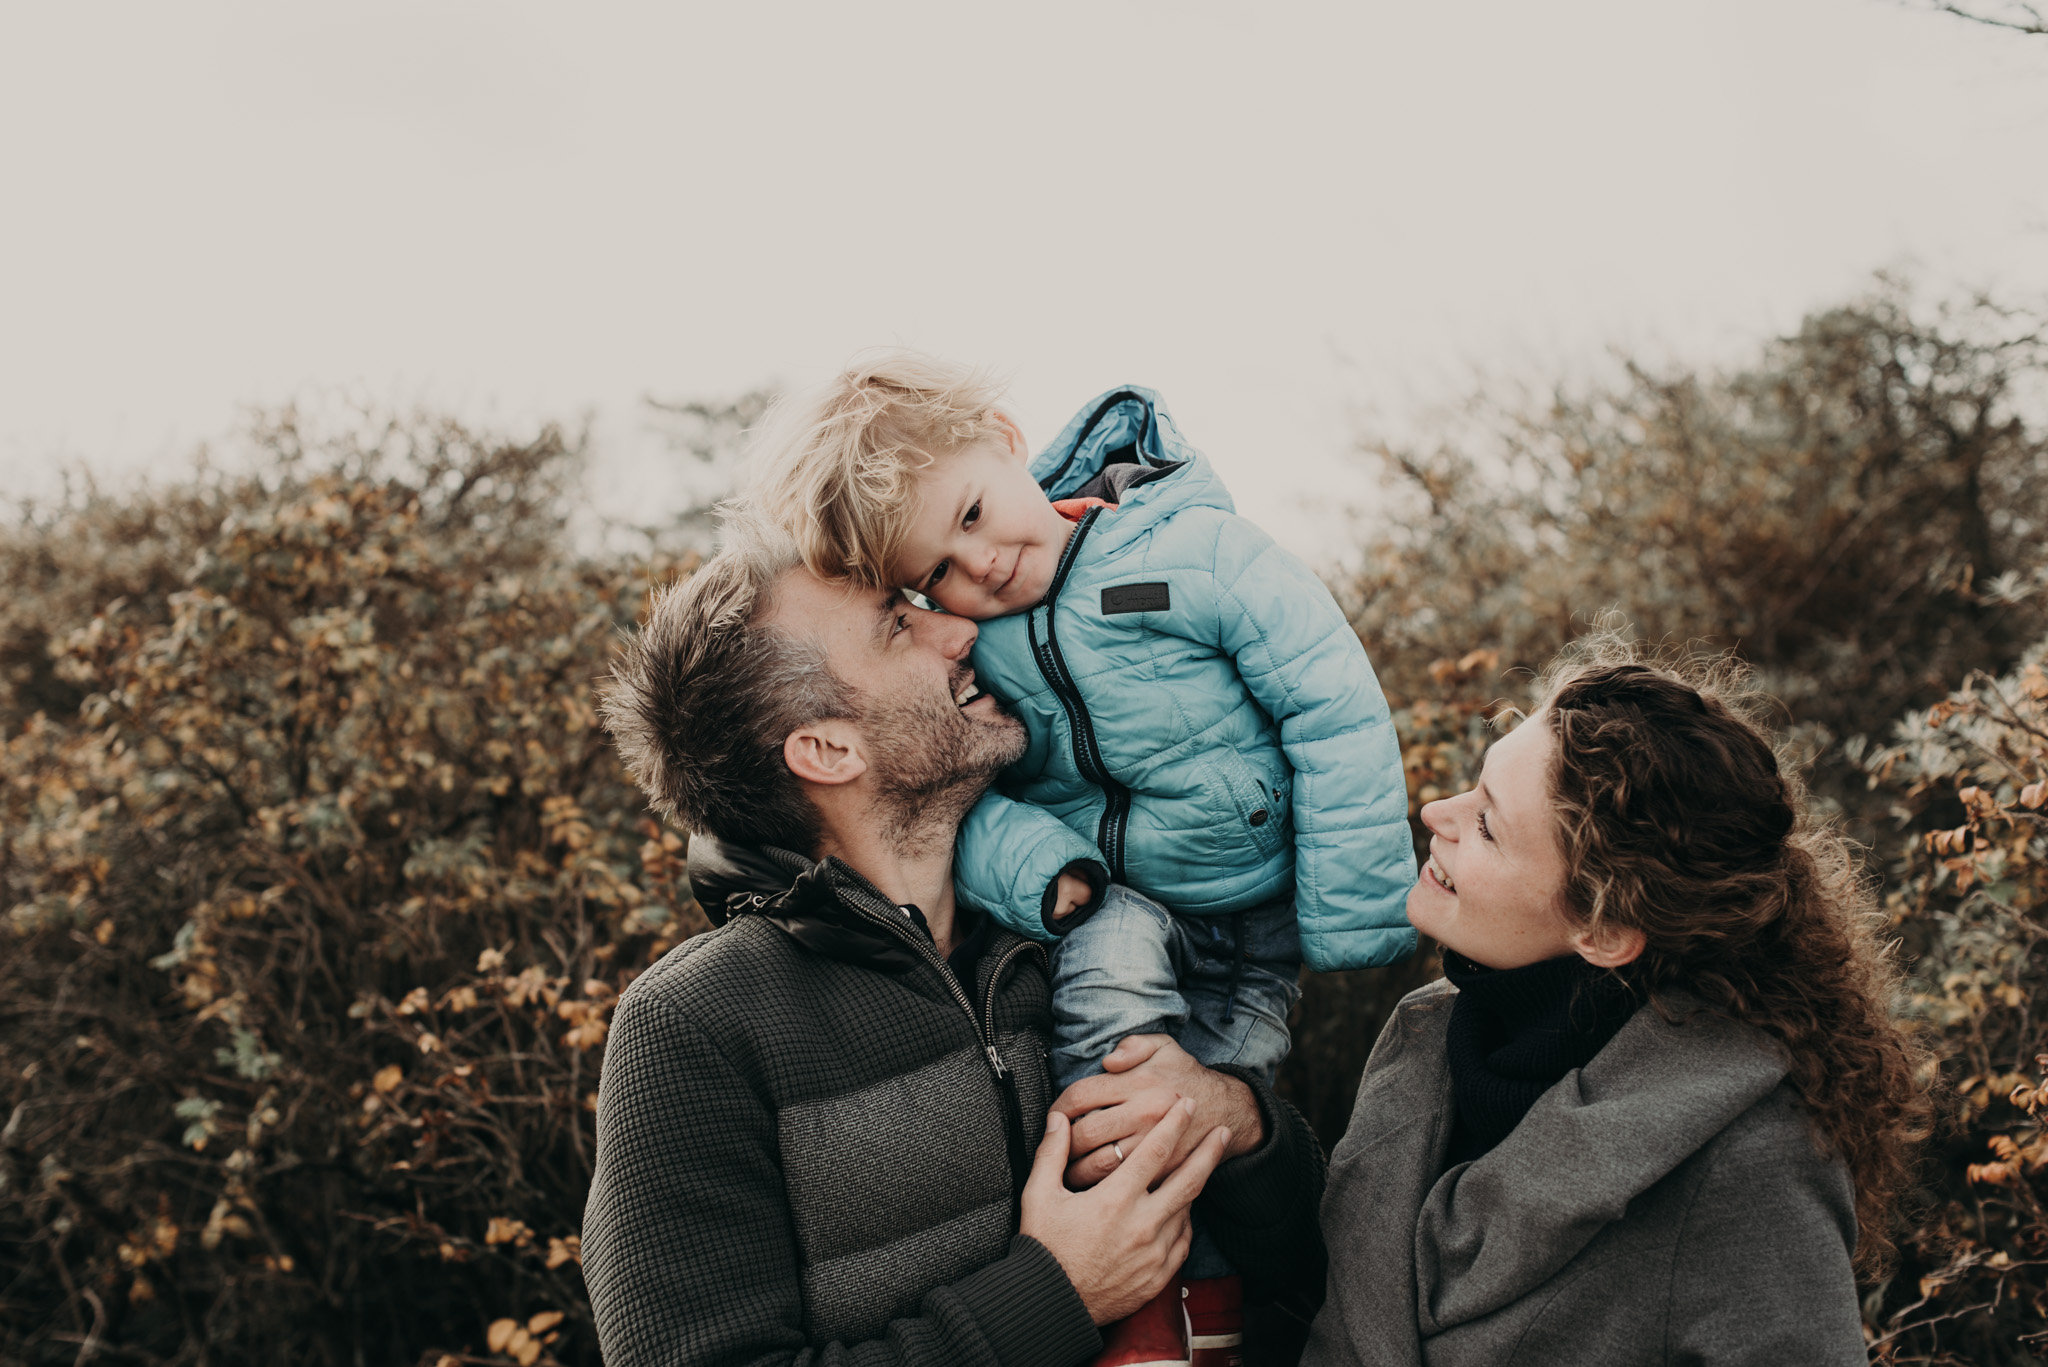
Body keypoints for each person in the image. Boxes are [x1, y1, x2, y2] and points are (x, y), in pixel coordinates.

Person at [745, 356, 1412, 1313]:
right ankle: (1139, 1285)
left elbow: (1332, 705)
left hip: (1257, 901)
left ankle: (1214, 1299)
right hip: (1117, 897)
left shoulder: (1199, 553)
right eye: (936, 571)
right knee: (1120, 1061)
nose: (978, 567)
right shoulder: (980, 642)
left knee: (1231, 1080)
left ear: (1008, 443)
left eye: (972, 514)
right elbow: (963, 795)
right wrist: (1048, 871)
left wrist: (1355, 909)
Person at [583, 516, 1325, 1367]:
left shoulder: (1091, 922)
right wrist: (1055, 1292)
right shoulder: (693, 1027)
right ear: (827, 748)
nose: (961, 627)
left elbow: (1316, 1260)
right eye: (900, 624)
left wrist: (1241, 1128)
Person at [1264, 639, 1930, 1366]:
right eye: (1474, 788)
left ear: (1604, 927)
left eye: (1487, 824)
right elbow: (1338, 1304)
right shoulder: (1426, 1038)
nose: (1435, 811)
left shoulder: (1750, 1155)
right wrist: (1249, 1146)